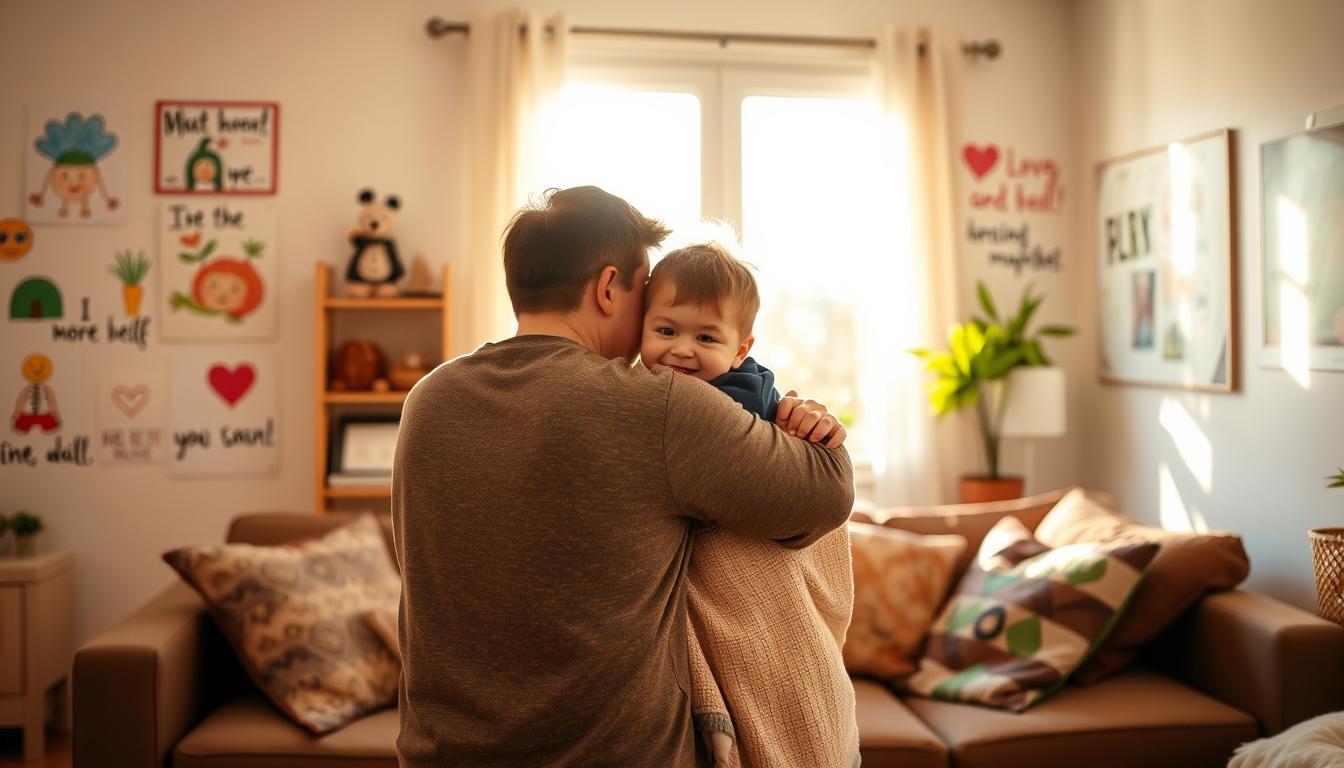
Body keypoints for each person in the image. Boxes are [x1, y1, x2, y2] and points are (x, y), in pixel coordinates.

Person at [391, 186, 854, 767]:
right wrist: (810, 421)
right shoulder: (658, 408)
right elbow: (825, 491)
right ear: (609, 288)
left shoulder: (429, 399)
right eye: (645, 292)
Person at [640, 243, 859, 768]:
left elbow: (811, 471)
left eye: (706, 337)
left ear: (742, 349)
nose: (681, 350)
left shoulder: (748, 399)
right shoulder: (639, 395)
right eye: (665, 331)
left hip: (769, 591)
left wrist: (815, 427)